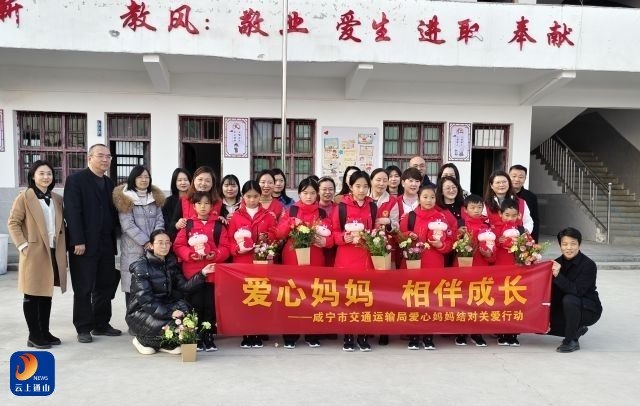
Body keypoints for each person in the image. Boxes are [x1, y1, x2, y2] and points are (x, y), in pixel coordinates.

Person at [64, 143, 121, 343]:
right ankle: (83, 327)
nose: (105, 159)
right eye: (100, 155)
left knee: (105, 285)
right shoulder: (76, 180)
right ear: (89, 158)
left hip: (106, 243)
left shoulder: (110, 184)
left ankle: (101, 324)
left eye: (108, 156)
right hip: (84, 245)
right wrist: (77, 240)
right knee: (84, 287)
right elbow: (72, 212)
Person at [8, 160, 68, 349]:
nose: (46, 177)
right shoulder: (25, 197)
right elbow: (13, 222)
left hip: (52, 250)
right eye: (41, 173)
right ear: (33, 176)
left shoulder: (57, 198)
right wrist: (23, 245)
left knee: (46, 292)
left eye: (49, 173)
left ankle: (44, 332)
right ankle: (34, 335)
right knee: (32, 293)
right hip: (33, 251)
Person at [126, 230, 215, 355]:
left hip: (164, 306)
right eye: (160, 243)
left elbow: (184, 286)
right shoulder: (141, 267)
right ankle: (142, 340)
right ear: (151, 245)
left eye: (167, 243)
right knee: (174, 323)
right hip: (141, 312)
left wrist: (202, 273)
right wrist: (170, 313)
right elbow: (146, 301)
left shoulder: (170, 263)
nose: (164, 246)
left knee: (188, 315)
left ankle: (166, 344)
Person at [276, 177, 334, 349]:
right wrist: (290, 223)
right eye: (305, 193)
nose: (309, 196)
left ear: (317, 194)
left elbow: (330, 237)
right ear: (299, 193)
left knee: (314, 296)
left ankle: (312, 333)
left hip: (315, 258)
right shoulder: (292, 210)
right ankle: (290, 334)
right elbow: (279, 233)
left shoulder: (322, 213)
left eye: (312, 193)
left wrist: (325, 241)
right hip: (292, 257)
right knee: (292, 295)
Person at [399, 184, 455, 351]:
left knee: (432, 300)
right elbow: (399, 238)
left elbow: (450, 243)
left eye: (432, 197)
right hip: (413, 263)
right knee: (413, 300)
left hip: (434, 263)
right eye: (425, 197)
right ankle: (413, 336)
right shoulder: (410, 217)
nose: (429, 200)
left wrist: (441, 245)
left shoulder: (442, 218)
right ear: (418, 198)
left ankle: (429, 336)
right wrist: (408, 236)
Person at [173, 191, 230, 352]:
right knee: (195, 305)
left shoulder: (218, 225)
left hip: (213, 273)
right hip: (193, 273)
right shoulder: (188, 225)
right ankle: (195, 335)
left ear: (212, 206)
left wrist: (216, 255)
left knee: (210, 306)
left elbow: (225, 247)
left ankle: (208, 335)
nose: (203, 206)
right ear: (194, 206)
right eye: (199, 203)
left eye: (206, 203)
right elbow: (178, 246)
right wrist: (190, 254)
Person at [332, 170, 379, 352]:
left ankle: (363, 336)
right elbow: (334, 232)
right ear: (350, 186)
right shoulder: (341, 207)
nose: (361, 190)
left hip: (366, 257)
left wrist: (374, 236)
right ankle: (348, 336)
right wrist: (343, 238)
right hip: (346, 257)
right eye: (358, 186)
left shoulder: (372, 206)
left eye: (365, 186)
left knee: (364, 298)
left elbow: (376, 228)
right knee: (348, 298)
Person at [228, 180, 278, 349]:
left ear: (260, 196)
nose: (252, 200)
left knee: (259, 297)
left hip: (261, 262)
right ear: (243, 196)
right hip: (242, 262)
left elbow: (275, 235)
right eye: (248, 196)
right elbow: (229, 239)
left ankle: (257, 332)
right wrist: (237, 249)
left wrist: (267, 238)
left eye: (255, 196)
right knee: (245, 298)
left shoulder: (268, 215)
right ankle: (246, 333)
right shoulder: (236, 216)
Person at [113, 165, 165, 309]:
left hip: (154, 248)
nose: (144, 180)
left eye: (147, 177)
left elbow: (160, 220)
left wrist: (156, 241)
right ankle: (132, 317)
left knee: (152, 285)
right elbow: (127, 225)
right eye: (140, 177)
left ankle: (150, 318)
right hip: (133, 249)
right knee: (133, 286)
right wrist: (146, 242)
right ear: (133, 179)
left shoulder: (154, 198)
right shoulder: (126, 198)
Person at [549, 227, 602, 353]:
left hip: (588, 309)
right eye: (565, 244)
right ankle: (577, 329)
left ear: (579, 244)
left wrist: (558, 275)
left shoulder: (588, 265)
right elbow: (553, 294)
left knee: (570, 299)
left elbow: (577, 291)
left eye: (573, 244)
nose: (569, 248)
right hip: (566, 308)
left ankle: (571, 340)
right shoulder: (556, 263)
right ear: (560, 246)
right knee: (542, 326)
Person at [491, 198, 523, 347]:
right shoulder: (494, 229)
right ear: (500, 214)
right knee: (500, 301)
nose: (510, 218)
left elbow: (529, 247)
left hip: (516, 271)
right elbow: (489, 248)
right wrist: (498, 242)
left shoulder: (521, 230)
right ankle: (501, 332)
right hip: (500, 270)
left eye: (514, 215)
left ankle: (513, 333)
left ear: (519, 215)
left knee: (514, 301)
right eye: (507, 215)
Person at [168, 166, 222, 240]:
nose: (203, 183)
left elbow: (223, 227)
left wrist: (223, 219)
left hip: (212, 244)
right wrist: (177, 224)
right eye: (200, 179)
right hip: (187, 243)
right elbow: (172, 225)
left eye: (208, 181)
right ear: (194, 181)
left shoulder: (218, 202)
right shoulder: (184, 200)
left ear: (212, 183)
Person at [483, 170, 533, 234]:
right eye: (498, 182)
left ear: (509, 183)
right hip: (493, 239)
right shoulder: (484, 204)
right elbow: (482, 224)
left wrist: (522, 232)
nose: (501, 185)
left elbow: (528, 222)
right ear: (491, 185)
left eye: (504, 182)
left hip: (516, 238)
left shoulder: (521, 203)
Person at [509, 164, 540, 242]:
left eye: (521, 177)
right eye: (514, 176)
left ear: (525, 179)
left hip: (523, 237)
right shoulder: (503, 194)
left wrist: (534, 241)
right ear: (508, 177)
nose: (517, 179)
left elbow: (534, 219)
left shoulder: (531, 197)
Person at [318, 176, 338, 267]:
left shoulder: (340, 209)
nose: (327, 192)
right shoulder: (312, 208)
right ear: (318, 191)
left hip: (334, 252)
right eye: (324, 189)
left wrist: (328, 241)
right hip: (316, 250)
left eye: (330, 189)